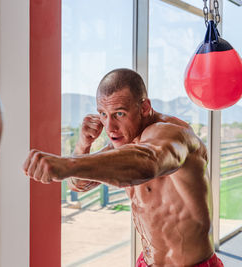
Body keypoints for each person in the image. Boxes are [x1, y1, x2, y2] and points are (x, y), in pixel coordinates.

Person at [23, 68, 224, 266]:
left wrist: (67, 163)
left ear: (144, 107)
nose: (109, 127)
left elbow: (149, 162)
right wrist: (82, 145)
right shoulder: (126, 141)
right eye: (103, 114)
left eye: (119, 114)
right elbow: (78, 184)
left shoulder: (175, 135)